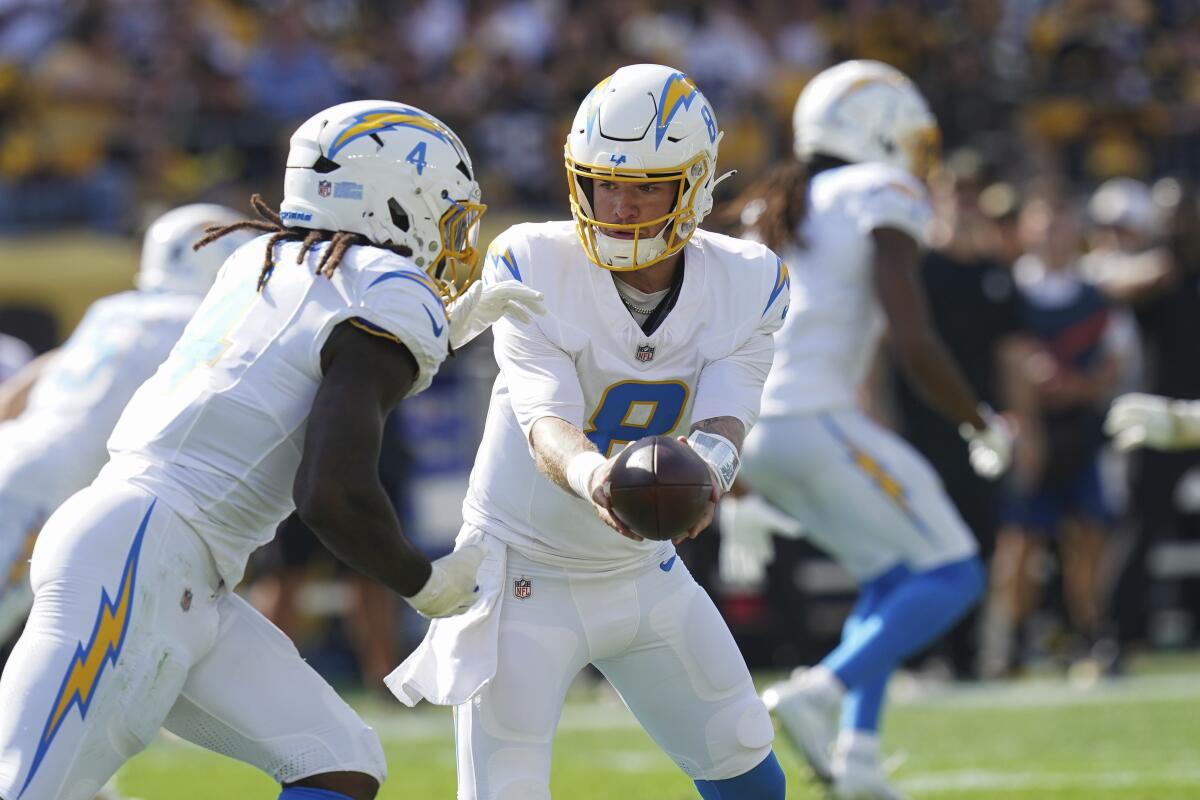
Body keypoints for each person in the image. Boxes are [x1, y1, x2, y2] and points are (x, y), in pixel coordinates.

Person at [0, 99, 543, 800]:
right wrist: (423, 581)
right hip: (143, 557)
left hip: (172, 558)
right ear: (395, 201)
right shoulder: (383, 287)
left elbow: (305, 368)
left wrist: (443, 329)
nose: (452, 235)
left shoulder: (262, 256)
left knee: (338, 762)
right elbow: (332, 494)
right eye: (443, 208)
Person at [387, 64, 789, 800]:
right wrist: (600, 479)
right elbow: (546, 422)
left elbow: (730, 410)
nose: (620, 204)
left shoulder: (749, 278)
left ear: (693, 186)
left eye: (645, 185)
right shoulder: (535, 260)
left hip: (645, 574)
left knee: (747, 769)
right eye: (605, 182)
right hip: (522, 574)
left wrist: (709, 472)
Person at [719, 60, 1012, 799]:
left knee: (891, 576)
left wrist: (738, 479)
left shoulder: (779, 202)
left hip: (758, 426)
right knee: (955, 571)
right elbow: (913, 338)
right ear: (876, 126)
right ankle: (820, 689)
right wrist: (978, 419)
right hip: (814, 418)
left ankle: (859, 761)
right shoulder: (878, 192)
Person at [0, 205, 256, 649]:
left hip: (19, 451)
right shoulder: (197, 322)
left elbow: (37, 375)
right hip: (53, 485)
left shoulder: (115, 310)